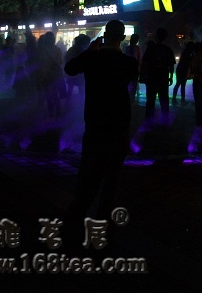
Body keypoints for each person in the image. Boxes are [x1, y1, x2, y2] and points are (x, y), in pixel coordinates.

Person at [64, 19, 139, 226]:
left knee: (89, 174)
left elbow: (69, 68)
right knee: (112, 179)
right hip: (119, 125)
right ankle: (104, 222)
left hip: (95, 124)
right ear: (122, 37)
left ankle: (76, 219)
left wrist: (90, 51)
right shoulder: (129, 63)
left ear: (104, 35)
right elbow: (133, 77)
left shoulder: (92, 58)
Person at [140, 27, 176, 124]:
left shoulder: (151, 49)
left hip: (151, 77)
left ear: (156, 36)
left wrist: (142, 76)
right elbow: (171, 65)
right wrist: (170, 77)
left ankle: (149, 120)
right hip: (163, 77)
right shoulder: (167, 49)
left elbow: (144, 63)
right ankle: (165, 119)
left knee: (150, 100)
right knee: (164, 99)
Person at [35, 31, 64, 117]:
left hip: (46, 75)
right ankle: (58, 111)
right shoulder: (58, 50)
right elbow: (60, 62)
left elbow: (40, 64)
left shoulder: (42, 50)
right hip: (56, 75)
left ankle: (51, 112)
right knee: (56, 94)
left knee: (48, 94)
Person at [173, 41, 196, 105]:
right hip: (182, 70)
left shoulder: (186, 52)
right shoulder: (187, 53)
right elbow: (187, 62)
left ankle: (177, 99)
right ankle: (180, 100)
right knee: (181, 85)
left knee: (179, 84)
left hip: (181, 70)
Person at [124, 33, 143, 103]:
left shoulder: (128, 48)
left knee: (130, 84)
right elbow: (139, 59)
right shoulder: (137, 48)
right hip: (134, 69)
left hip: (130, 69)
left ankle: (130, 99)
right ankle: (132, 99)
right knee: (133, 84)